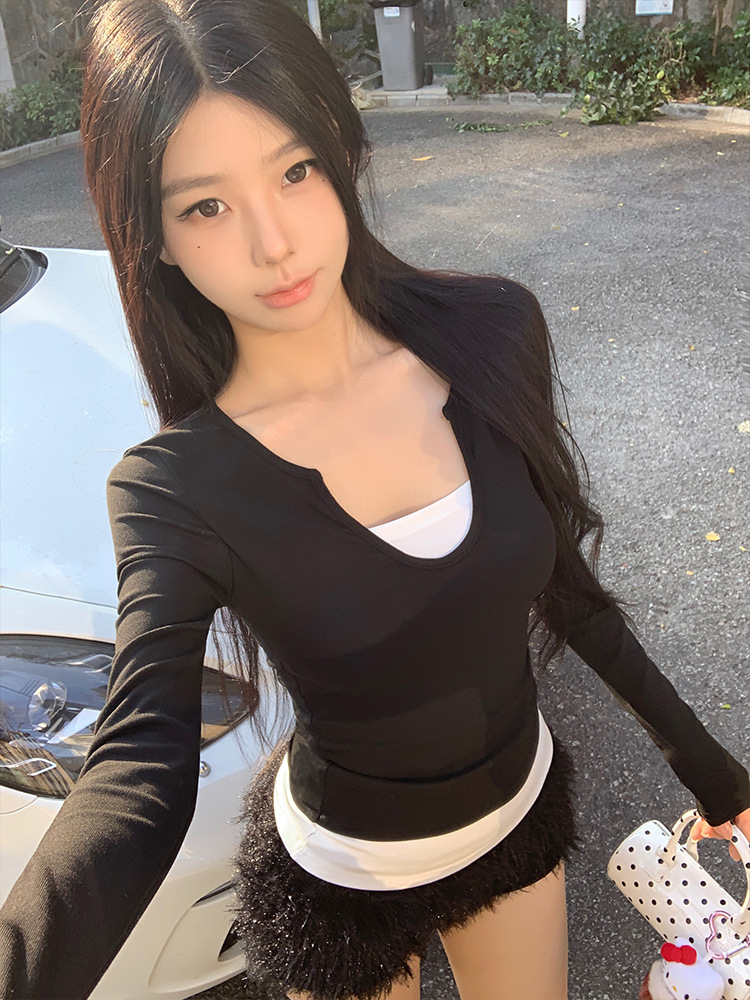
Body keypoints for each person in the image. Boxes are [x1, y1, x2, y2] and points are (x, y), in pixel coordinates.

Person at [1, 0, 748, 998]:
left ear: (342, 149)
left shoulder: (493, 334)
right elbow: (137, 772)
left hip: (517, 820)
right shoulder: (173, 489)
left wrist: (713, 772)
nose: (275, 242)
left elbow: (564, 585)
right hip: (338, 881)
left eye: (295, 170)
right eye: (206, 206)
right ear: (157, 238)